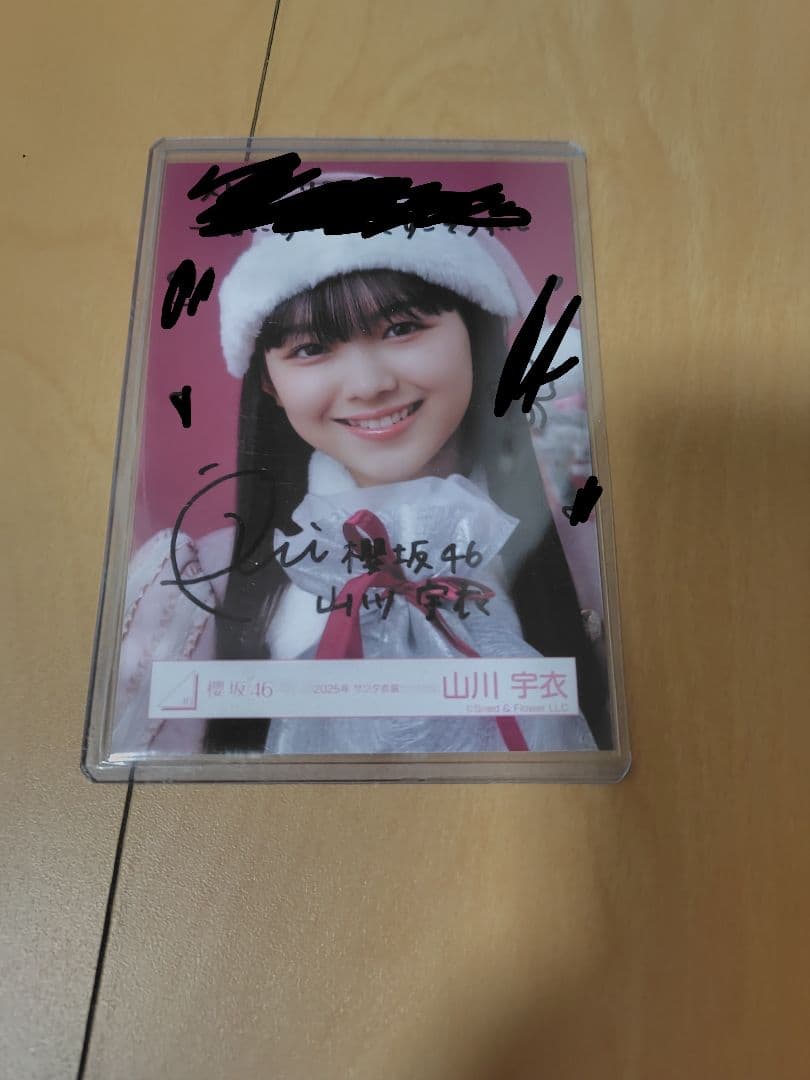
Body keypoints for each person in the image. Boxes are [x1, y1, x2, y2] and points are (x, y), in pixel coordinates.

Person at [113, 214, 609, 757]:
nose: (370, 385)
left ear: (476, 333)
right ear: (269, 384)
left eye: (402, 328)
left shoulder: (595, 553)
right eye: (310, 349)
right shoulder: (197, 589)